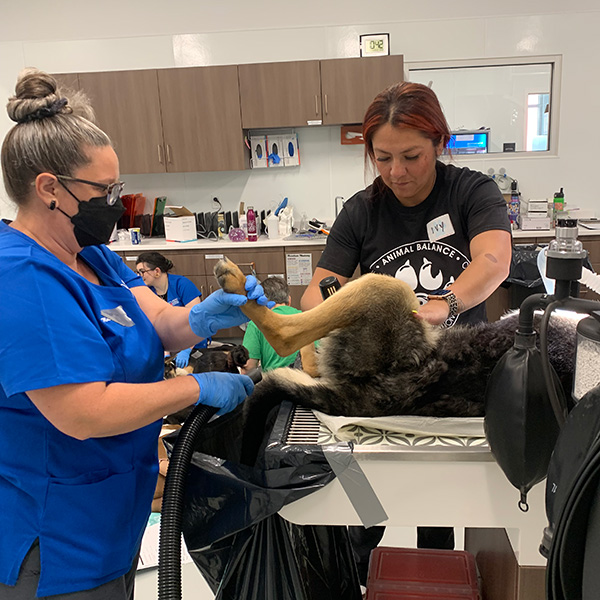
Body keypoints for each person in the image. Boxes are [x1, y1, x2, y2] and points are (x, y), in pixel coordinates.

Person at [0, 68, 273, 600]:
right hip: (57, 537)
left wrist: (207, 314)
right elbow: (83, 411)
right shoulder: (23, 279)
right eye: (104, 190)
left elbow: (160, 323)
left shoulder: (93, 257)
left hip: (112, 518)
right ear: (49, 189)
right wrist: (195, 388)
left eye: (117, 187)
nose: (117, 202)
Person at [301, 81, 512, 584]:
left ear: (439, 143)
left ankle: (437, 574)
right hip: (387, 375)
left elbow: (493, 259)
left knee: (439, 504)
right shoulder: (362, 210)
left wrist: (448, 303)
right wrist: (341, 311)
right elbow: (317, 291)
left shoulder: (470, 191)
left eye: (412, 156)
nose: (397, 172)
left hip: (458, 378)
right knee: (362, 497)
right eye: (383, 158)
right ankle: (352, 571)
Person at [136, 251, 203, 367]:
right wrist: (165, 352)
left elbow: (198, 320)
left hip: (192, 341)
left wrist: (186, 350)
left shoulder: (182, 284)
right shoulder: (147, 292)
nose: (139, 276)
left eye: (142, 272)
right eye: (137, 272)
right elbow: (152, 325)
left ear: (157, 271)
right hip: (167, 344)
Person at [242, 276, 301, 372]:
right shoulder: (305, 317)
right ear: (289, 300)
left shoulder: (256, 324)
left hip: (274, 383)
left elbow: (248, 367)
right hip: (307, 383)